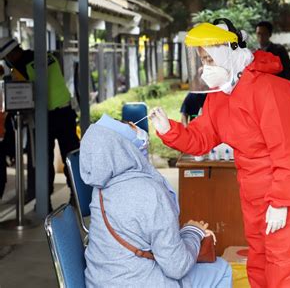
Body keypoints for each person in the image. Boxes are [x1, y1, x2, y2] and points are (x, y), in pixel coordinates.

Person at [150, 19, 290, 287]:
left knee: (287, 266)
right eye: (202, 59)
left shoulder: (270, 90)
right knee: (260, 261)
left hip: (286, 191)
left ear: (229, 52)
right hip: (252, 191)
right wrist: (168, 129)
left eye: (210, 58)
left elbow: (289, 151)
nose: (206, 66)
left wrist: (281, 201)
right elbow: (201, 137)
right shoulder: (219, 96)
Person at [80, 114, 232, 288]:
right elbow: (176, 267)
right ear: (122, 147)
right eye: (131, 127)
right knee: (221, 270)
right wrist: (194, 232)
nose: (139, 130)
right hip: (141, 281)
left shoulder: (99, 189)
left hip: (100, 281)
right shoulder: (149, 191)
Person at [0, 37, 80, 210]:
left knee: (44, 159)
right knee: (71, 156)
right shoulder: (45, 55)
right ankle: (78, 196)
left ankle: (44, 203)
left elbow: (24, 95)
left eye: (6, 58)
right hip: (65, 111)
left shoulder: (21, 66)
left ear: (11, 54)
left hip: (46, 116)